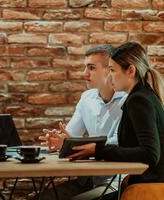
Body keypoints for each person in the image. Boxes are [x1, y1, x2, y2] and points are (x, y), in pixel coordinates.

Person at [68, 42, 164, 199]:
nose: (109, 76)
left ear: (131, 71)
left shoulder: (138, 100)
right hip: (142, 184)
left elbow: (150, 154)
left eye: (112, 70)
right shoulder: (142, 96)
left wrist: (98, 150)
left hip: (145, 190)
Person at [38, 44, 127, 199]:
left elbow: (117, 143)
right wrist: (60, 139)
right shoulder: (87, 97)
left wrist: (71, 144)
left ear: (110, 69)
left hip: (117, 181)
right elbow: (72, 135)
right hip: (89, 178)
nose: (84, 73)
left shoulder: (128, 100)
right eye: (86, 67)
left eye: (91, 68)